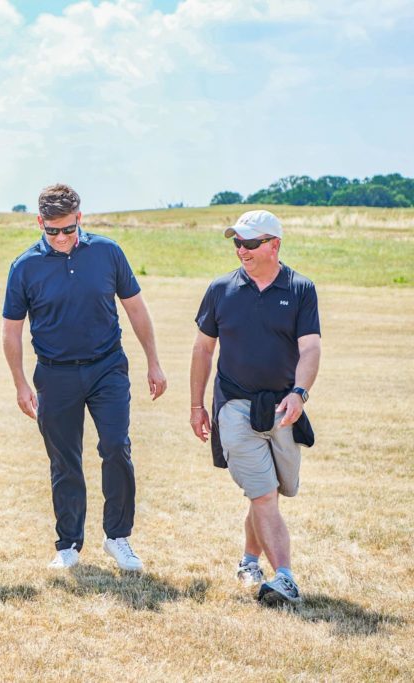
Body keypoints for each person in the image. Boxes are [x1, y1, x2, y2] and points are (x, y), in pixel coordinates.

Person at [2, 183, 167, 572]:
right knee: (64, 461)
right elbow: (11, 331)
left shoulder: (107, 253)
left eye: (68, 229)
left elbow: (136, 310)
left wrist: (153, 362)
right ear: (39, 223)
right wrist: (20, 383)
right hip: (55, 375)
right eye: (51, 231)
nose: (60, 238)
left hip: (107, 367)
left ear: (80, 217)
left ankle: (117, 537)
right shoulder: (24, 267)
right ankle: (69, 544)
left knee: (115, 446)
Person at [189, 209, 320, 606]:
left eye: (249, 243)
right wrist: (197, 405)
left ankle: (249, 560)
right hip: (234, 405)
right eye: (236, 243)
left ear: (274, 245)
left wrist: (299, 392)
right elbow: (203, 349)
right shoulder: (220, 289)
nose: (240, 250)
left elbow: (310, 348)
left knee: (272, 492)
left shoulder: (300, 288)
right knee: (263, 494)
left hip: (282, 407)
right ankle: (285, 577)